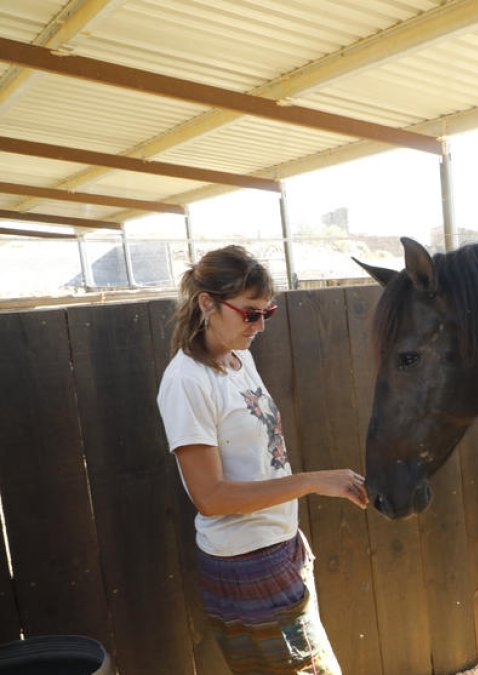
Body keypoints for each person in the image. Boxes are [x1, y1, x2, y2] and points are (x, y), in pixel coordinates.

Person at [156, 245, 367, 674]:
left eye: (266, 312)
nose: (260, 325)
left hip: (279, 548)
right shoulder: (187, 382)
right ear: (207, 304)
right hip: (246, 563)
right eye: (250, 313)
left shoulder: (241, 359)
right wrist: (311, 482)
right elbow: (210, 498)